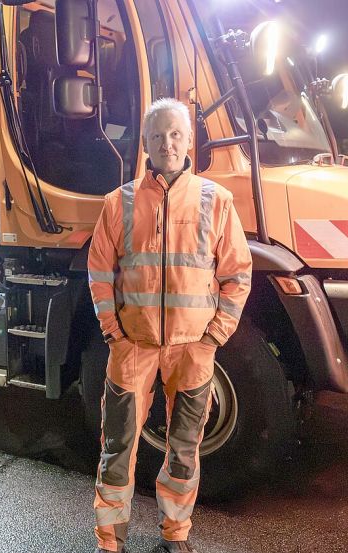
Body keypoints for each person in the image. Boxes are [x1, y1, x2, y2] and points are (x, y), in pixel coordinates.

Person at [87, 98, 252, 553]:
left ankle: (175, 536)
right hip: (132, 348)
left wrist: (213, 339)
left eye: (176, 134)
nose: (168, 143)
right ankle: (110, 541)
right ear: (145, 143)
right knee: (117, 449)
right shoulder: (118, 203)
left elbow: (238, 275)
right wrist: (113, 334)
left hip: (192, 351)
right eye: (158, 135)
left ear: (189, 140)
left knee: (184, 450)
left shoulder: (216, 200)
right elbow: (99, 273)